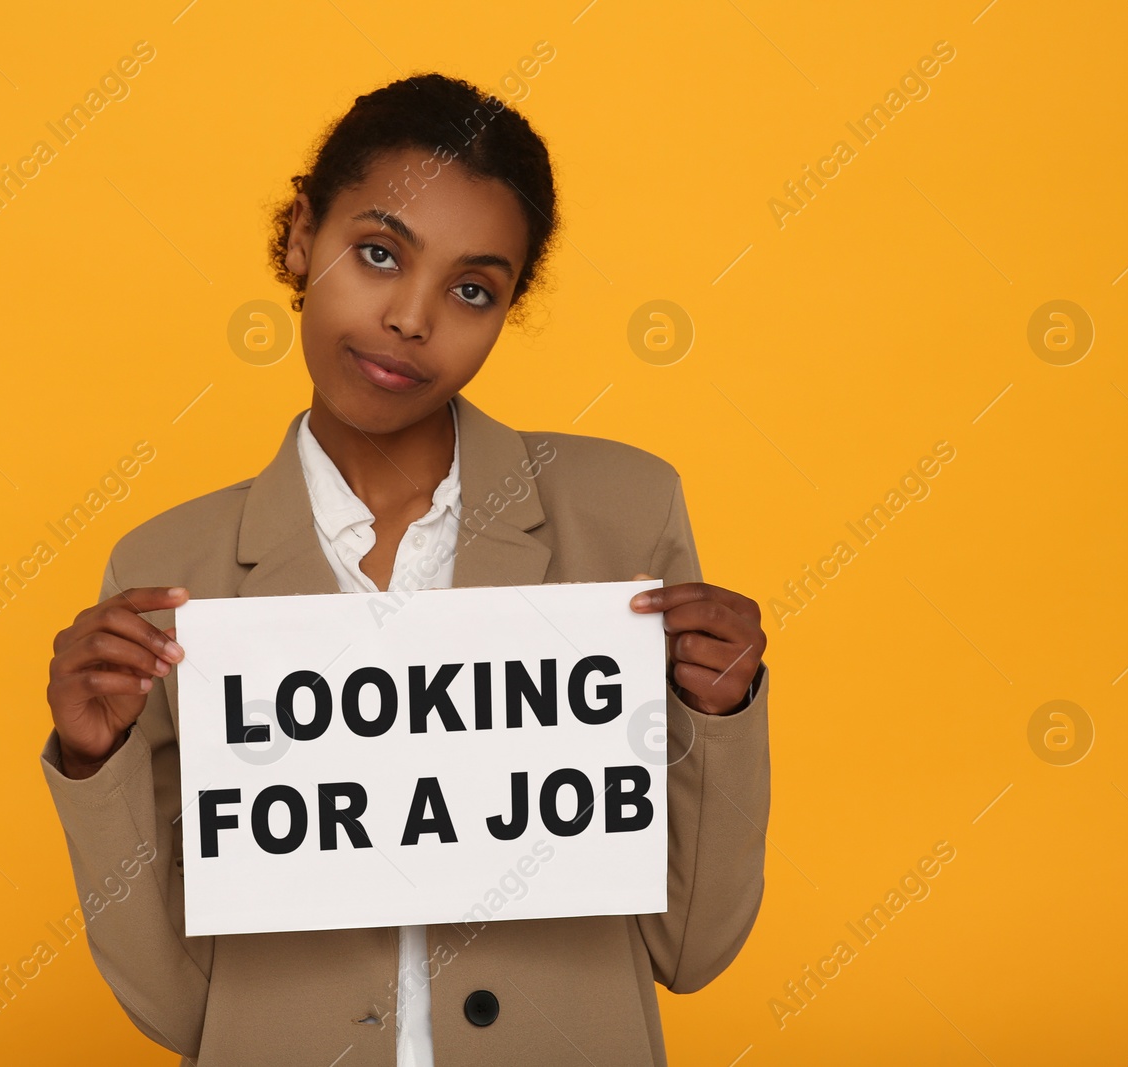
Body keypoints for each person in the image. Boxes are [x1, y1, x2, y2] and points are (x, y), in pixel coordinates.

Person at [41, 72, 770, 1066]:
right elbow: (180, 1007)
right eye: (377, 253)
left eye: (472, 288)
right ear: (302, 235)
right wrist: (96, 767)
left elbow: (692, 946)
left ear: (507, 306)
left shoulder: (624, 514)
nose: (411, 319)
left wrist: (720, 719)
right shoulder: (171, 571)